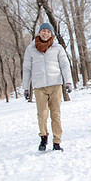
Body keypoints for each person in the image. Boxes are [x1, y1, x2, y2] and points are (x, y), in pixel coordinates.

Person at [22, 23, 72, 152]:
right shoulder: (31, 49)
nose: (45, 33)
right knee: (42, 115)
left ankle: (57, 142)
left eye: (48, 32)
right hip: (39, 87)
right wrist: (26, 88)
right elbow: (26, 69)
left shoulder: (58, 48)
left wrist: (68, 82)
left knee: (56, 115)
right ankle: (43, 138)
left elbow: (65, 65)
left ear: (51, 34)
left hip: (55, 85)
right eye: (43, 31)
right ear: (39, 32)